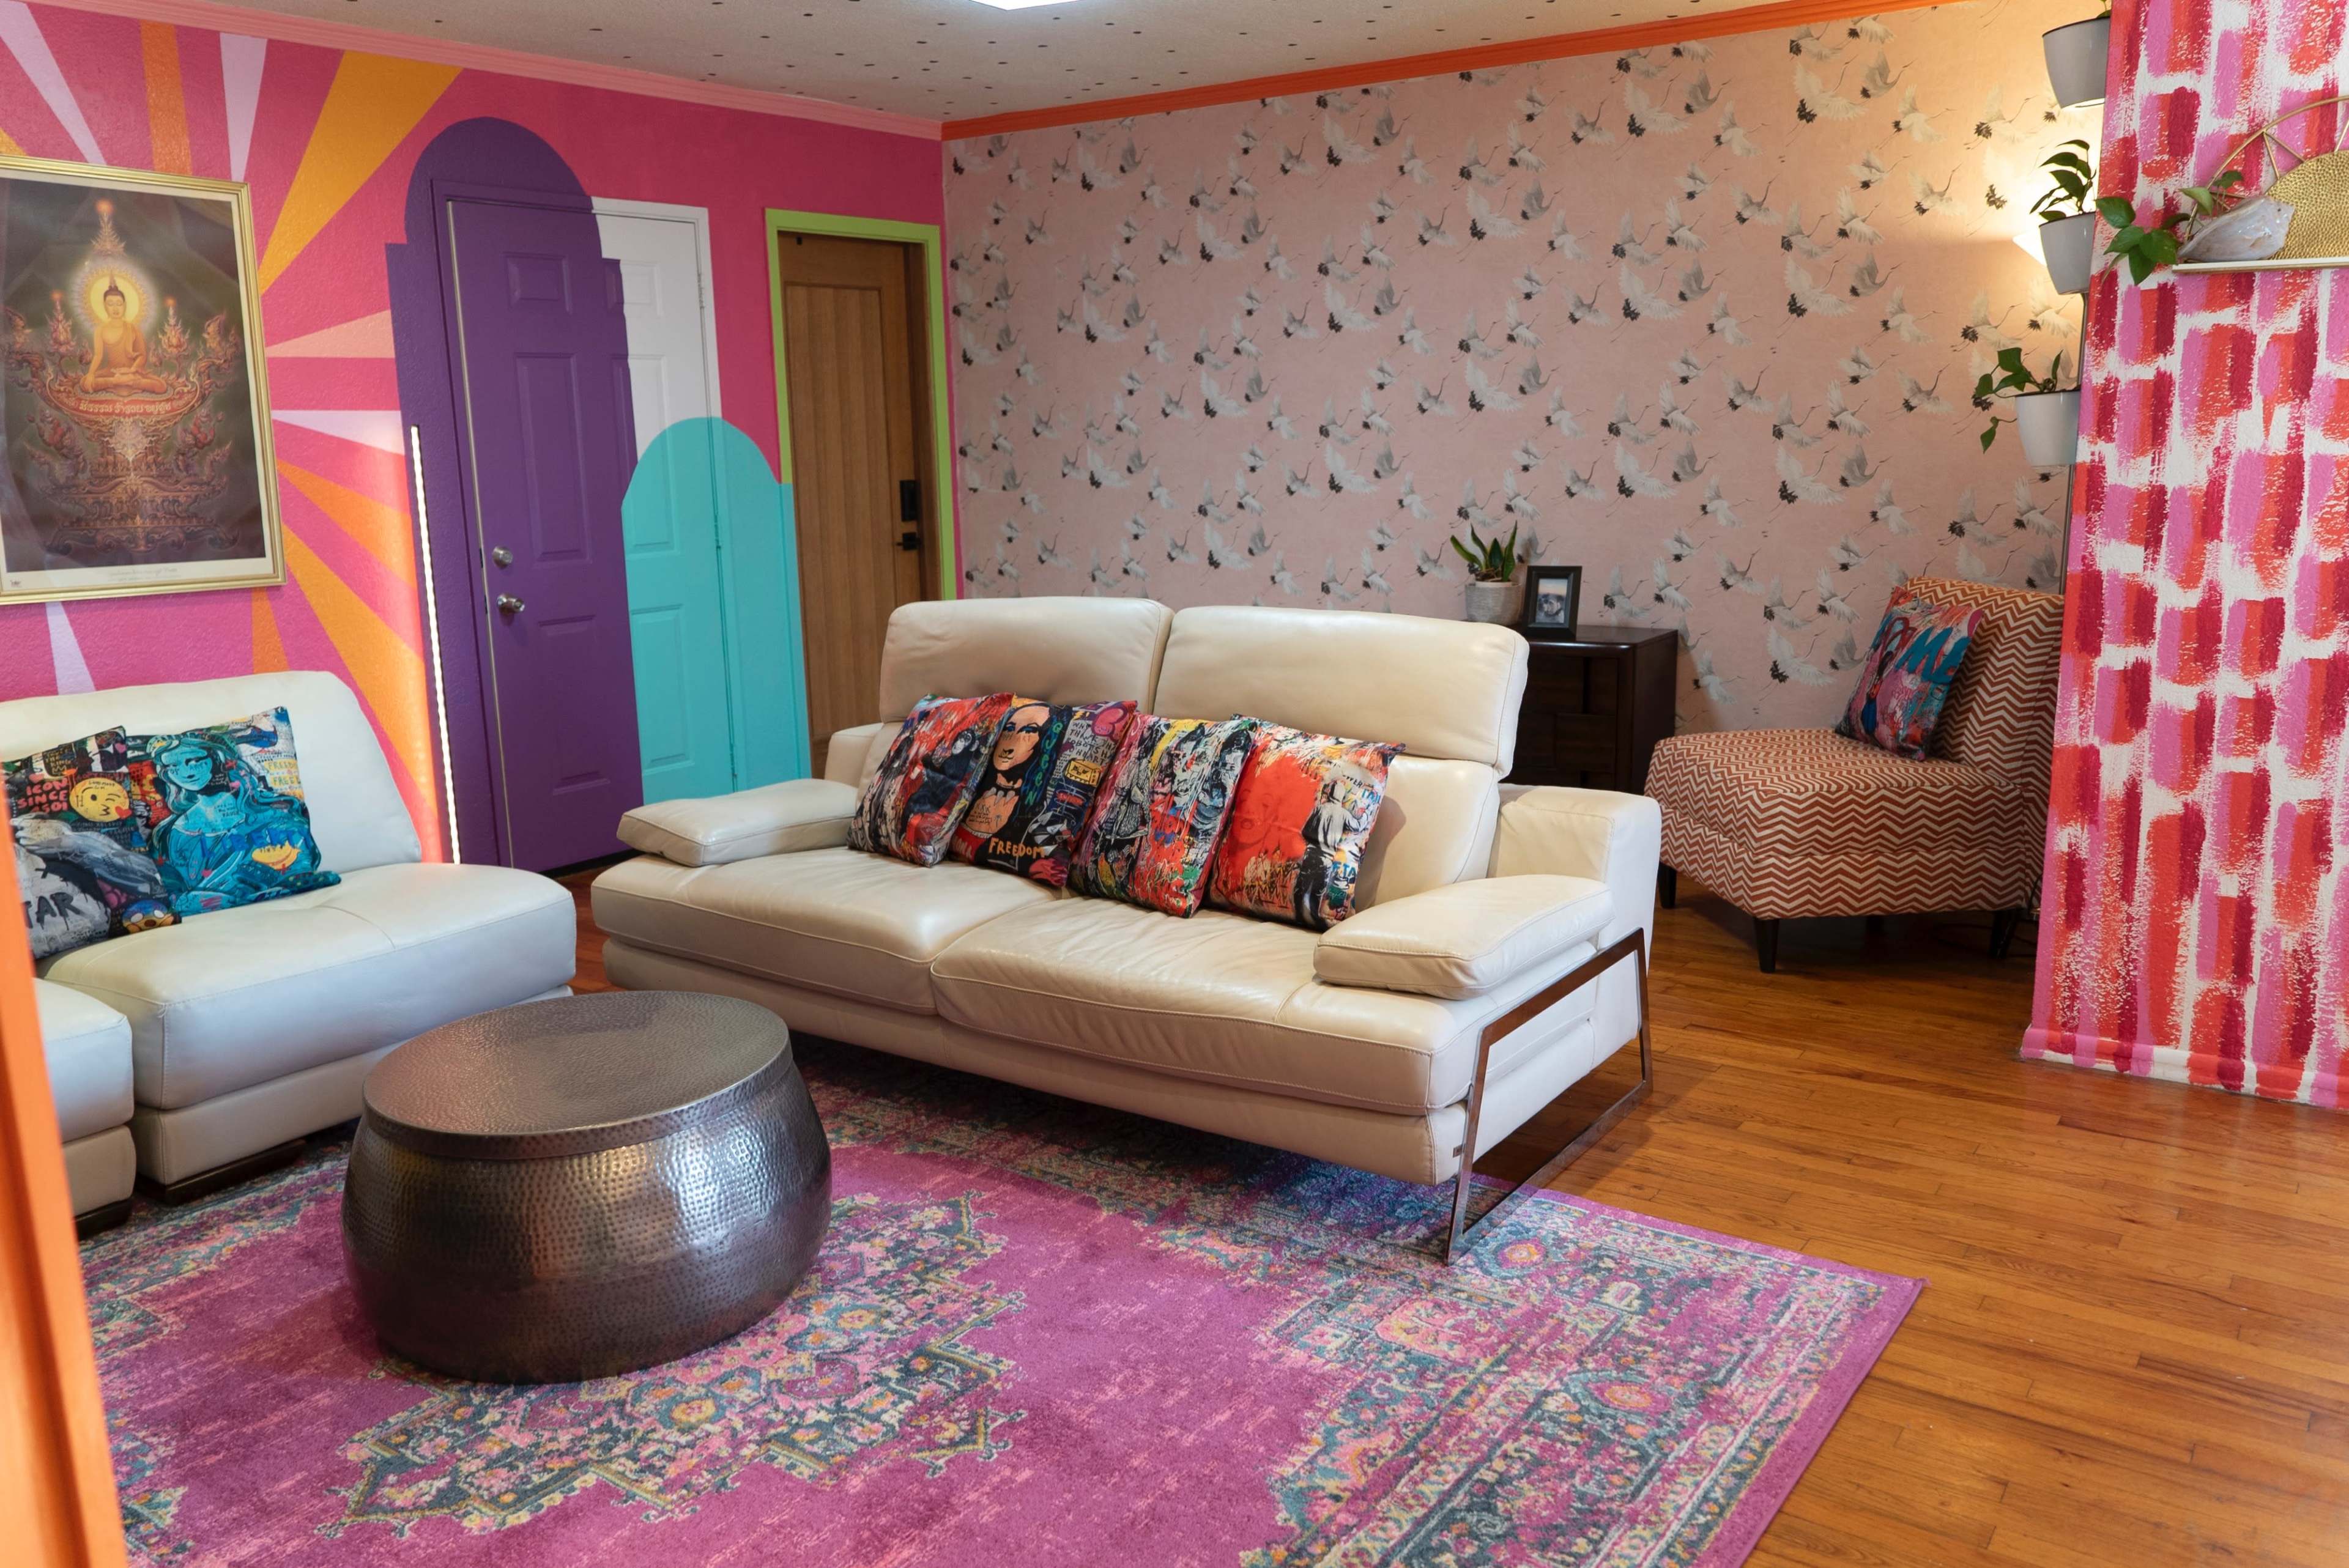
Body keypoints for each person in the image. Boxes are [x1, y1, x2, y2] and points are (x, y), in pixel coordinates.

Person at [80, 276, 169, 394]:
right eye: (110, 304)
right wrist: (91, 374)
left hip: (132, 373)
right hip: (111, 372)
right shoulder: (100, 330)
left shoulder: (132, 329)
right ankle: (117, 381)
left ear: (125, 305)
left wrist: (131, 370)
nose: (115, 308)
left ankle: (123, 381)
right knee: (85, 382)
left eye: (119, 304)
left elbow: (142, 356)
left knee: (161, 386)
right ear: (104, 306)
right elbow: (98, 356)